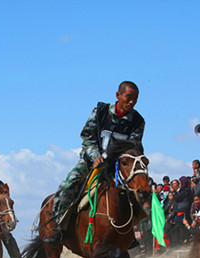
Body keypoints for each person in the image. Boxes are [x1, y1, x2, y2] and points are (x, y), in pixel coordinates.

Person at [45, 81, 145, 245]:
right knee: (69, 183)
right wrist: (95, 155)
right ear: (118, 95)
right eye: (129, 97)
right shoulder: (100, 111)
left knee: (137, 190)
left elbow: (134, 147)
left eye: (135, 99)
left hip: (119, 167)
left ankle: (129, 233)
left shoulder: (138, 121)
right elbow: (87, 136)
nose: (132, 102)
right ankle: (57, 228)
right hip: (92, 161)